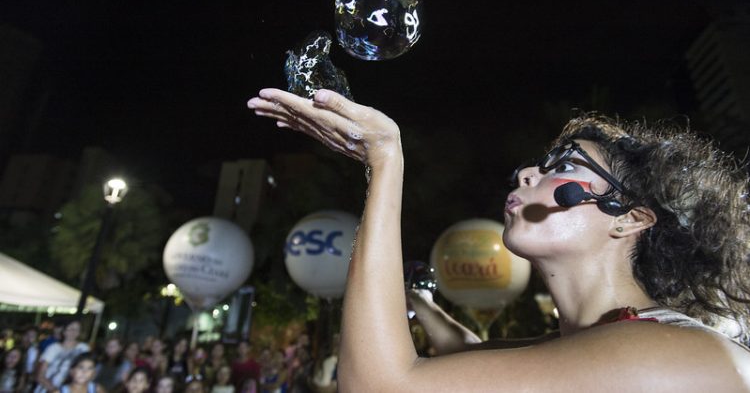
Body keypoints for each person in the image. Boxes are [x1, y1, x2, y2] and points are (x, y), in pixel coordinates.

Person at [248, 88, 750, 391]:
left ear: (631, 219)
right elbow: (471, 353)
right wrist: (414, 303)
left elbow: (381, 388)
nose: (529, 172)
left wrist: (385, 161)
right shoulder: (597, 341)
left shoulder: (666, 352)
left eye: (566, 166)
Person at [34, 320, 88, 393]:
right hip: (48, 388)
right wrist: (56, 390)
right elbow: (40, 375)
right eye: (71, 329)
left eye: (77, 329)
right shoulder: (53, 348)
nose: (74, 332)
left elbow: (87, 370)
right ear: (64, 331)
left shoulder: (83, 348)